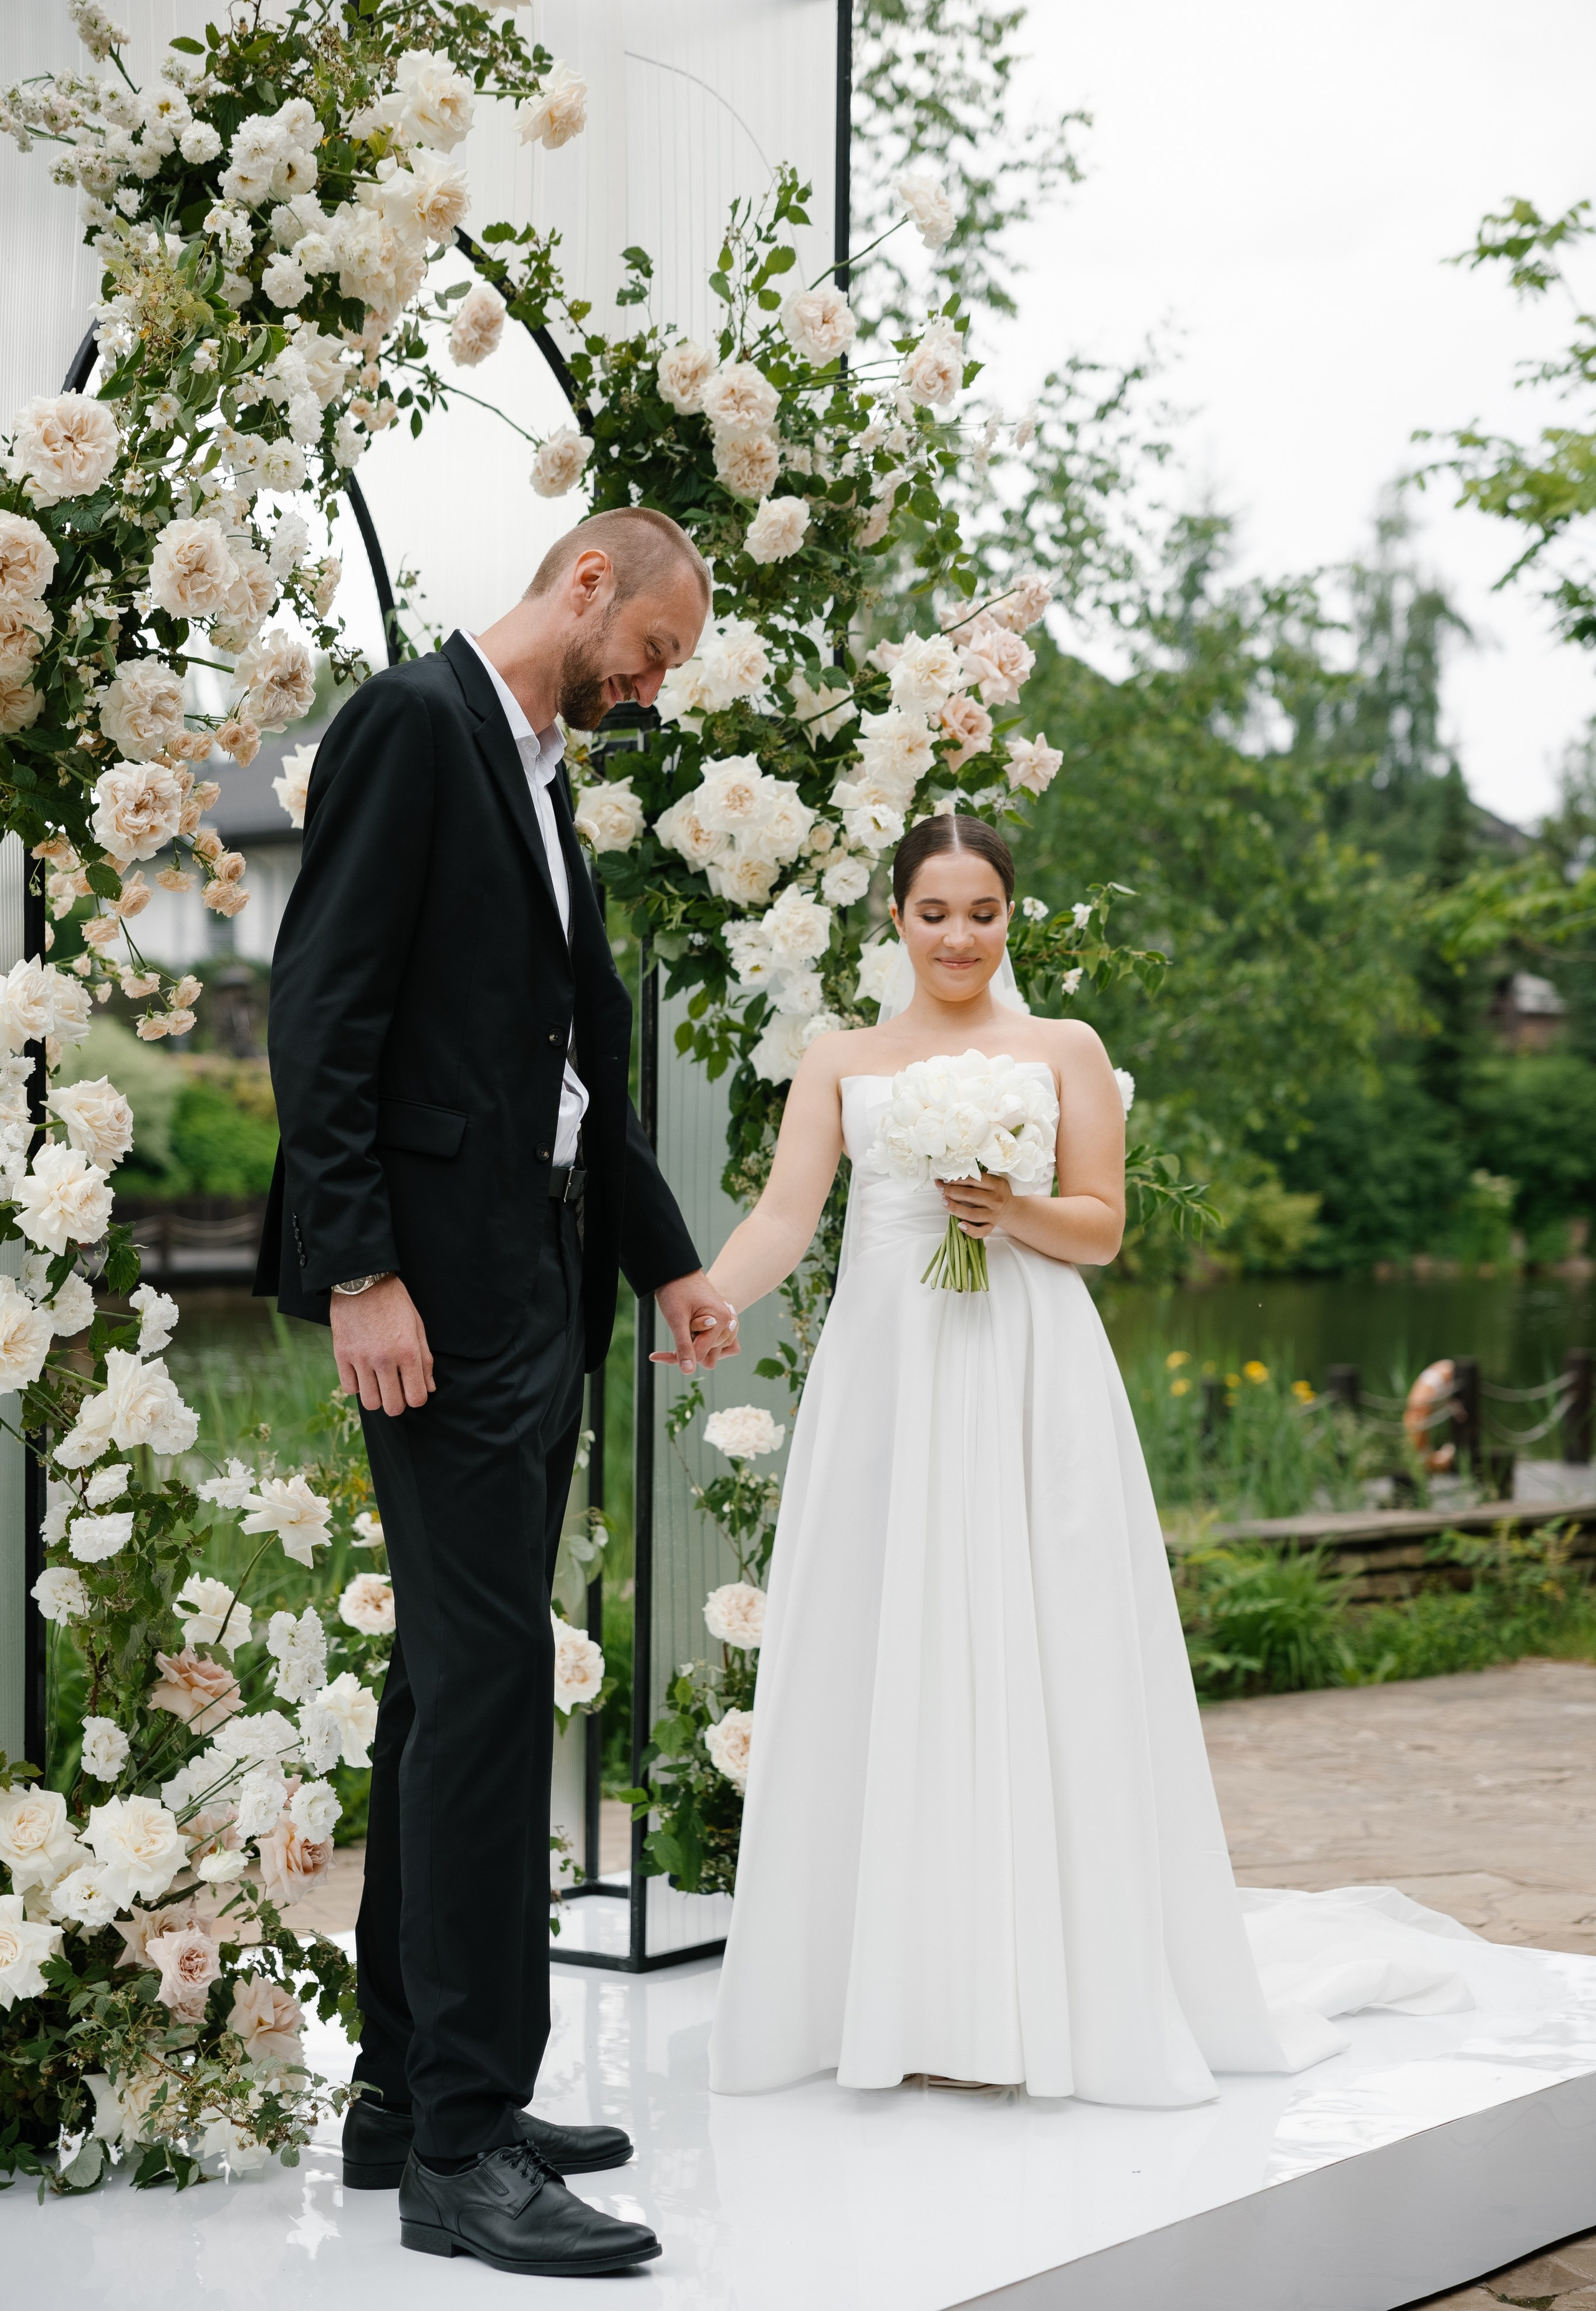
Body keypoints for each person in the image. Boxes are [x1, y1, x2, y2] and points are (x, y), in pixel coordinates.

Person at [700, 812, 1470, 2100]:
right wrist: (710, 1301)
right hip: (887, 1374)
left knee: (1041, 1636)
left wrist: (1009, 1210)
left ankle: (1050, 1989)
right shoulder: (839, 1058)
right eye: (934, 913)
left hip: (1027, 1367)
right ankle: (890, 1995)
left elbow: (1102, 1229)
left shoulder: (1064, 1047)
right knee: (880, 1642)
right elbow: (784, 1218)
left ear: (1011, 917)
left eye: (982, 912)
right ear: (894, 917)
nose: (958, 936)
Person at [256, 507, 738, 2275]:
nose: (654, 687)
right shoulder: (413, 722)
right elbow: (321, 1008)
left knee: (450, 1685)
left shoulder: (543, 782)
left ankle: (406, 2099)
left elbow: (580, 1059)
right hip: (434, 1295)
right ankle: (468, 2148)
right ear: (590, 582)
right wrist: (359, 1269)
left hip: (540, 1278)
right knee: (490, 1686)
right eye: (658, 651)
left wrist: (665, 1259)